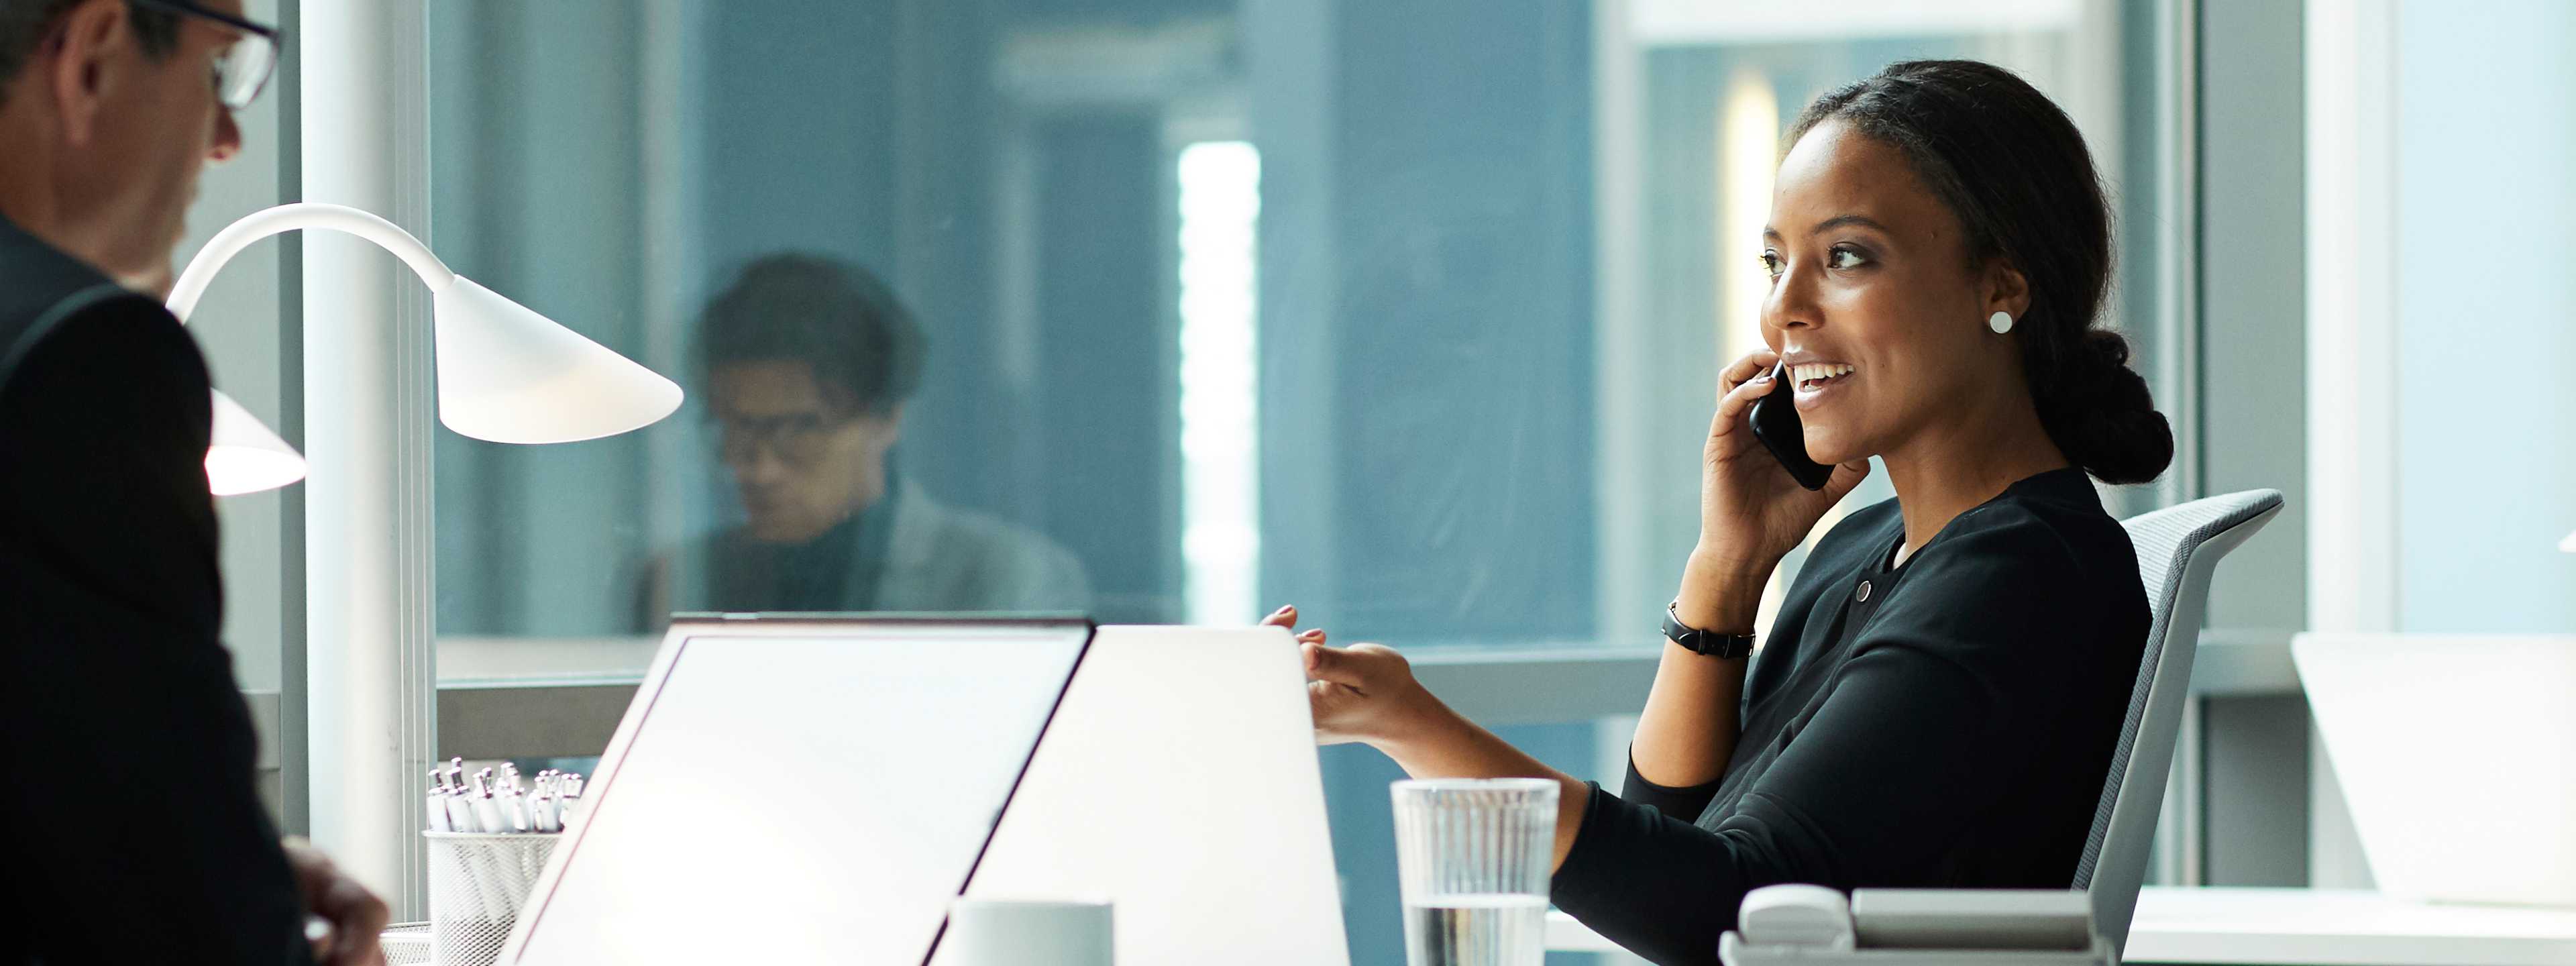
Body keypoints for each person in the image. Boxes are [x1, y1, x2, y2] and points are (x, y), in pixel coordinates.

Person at [1265, 60, 2170, 966]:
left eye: (1845, 257)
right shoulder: (1867, 549)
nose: (1784, 312)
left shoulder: (2026, 575)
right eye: (1777, 263)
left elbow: (1720, 909)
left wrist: (1409, 721)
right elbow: (1665, 838)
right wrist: (1727, 570)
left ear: (2001, 289)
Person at [0, 1, 386, 963]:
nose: (226, 139)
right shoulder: (82, 358)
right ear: (92, 54)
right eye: (220, 69)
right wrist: (235, 892)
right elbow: (207, 938)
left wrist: (233, 860)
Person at [633, 253, 1088, 627]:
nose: (757, 467)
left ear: (887, 418)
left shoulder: (999, 575)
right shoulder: (680, 580)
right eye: (735, 427)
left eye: (800, 429)